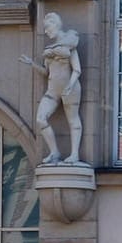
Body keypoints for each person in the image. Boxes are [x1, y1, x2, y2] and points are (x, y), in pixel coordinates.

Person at [19, 12, 83, 164]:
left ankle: (74, 154)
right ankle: (54, 152)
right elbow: (46, 72)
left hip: (70, 88)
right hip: (52, 90)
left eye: (48, 27)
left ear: (56, 24)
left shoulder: (69, 46)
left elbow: (77, 69)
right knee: (41, 119)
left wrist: (70, 85)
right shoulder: (49, 50)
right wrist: (31, 63)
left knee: (73, 120)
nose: (46, 31)